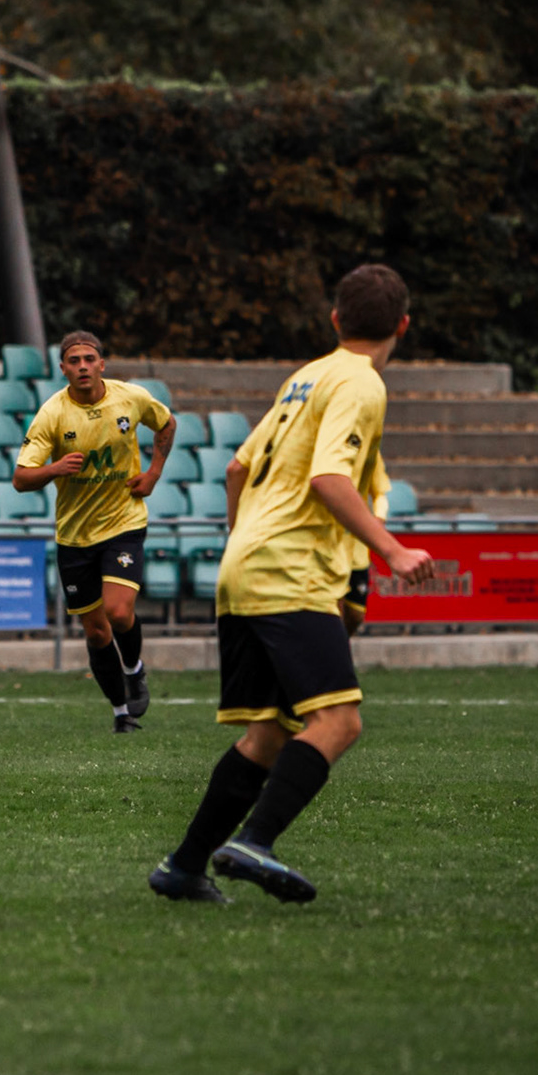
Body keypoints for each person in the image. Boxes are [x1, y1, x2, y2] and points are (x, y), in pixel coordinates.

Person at [149, 265, 434, 905]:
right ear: (403, 327)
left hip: (246, 565)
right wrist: (391, 551)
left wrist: (242, 545)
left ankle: (184, 866)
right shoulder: (361, 383)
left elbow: (235, 468)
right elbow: (329, 480)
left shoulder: (308, 376)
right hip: (289, 570)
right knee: (339, 720)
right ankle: (254, 842)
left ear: (336, 319)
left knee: (270, 734)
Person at [13, 332, 176, 733]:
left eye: (89, 358)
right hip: (74, 536)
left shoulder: (131, 398)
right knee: (97, 630)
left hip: (124, 522)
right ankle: (122, 712)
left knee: (119, 612)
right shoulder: (52, 414)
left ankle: (135, 669)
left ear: (102, 364)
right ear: (63, 368)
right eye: (74, 360)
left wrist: (153, 473)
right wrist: (54, 468)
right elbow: (21, 478)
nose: (82, 366)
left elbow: (167, 423)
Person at [340, 454, 391, 637]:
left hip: (356, 549)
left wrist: (379, 518)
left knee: (355, 616)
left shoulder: (368, 445)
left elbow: (380, 493)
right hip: (329, 547)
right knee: (332, 615)